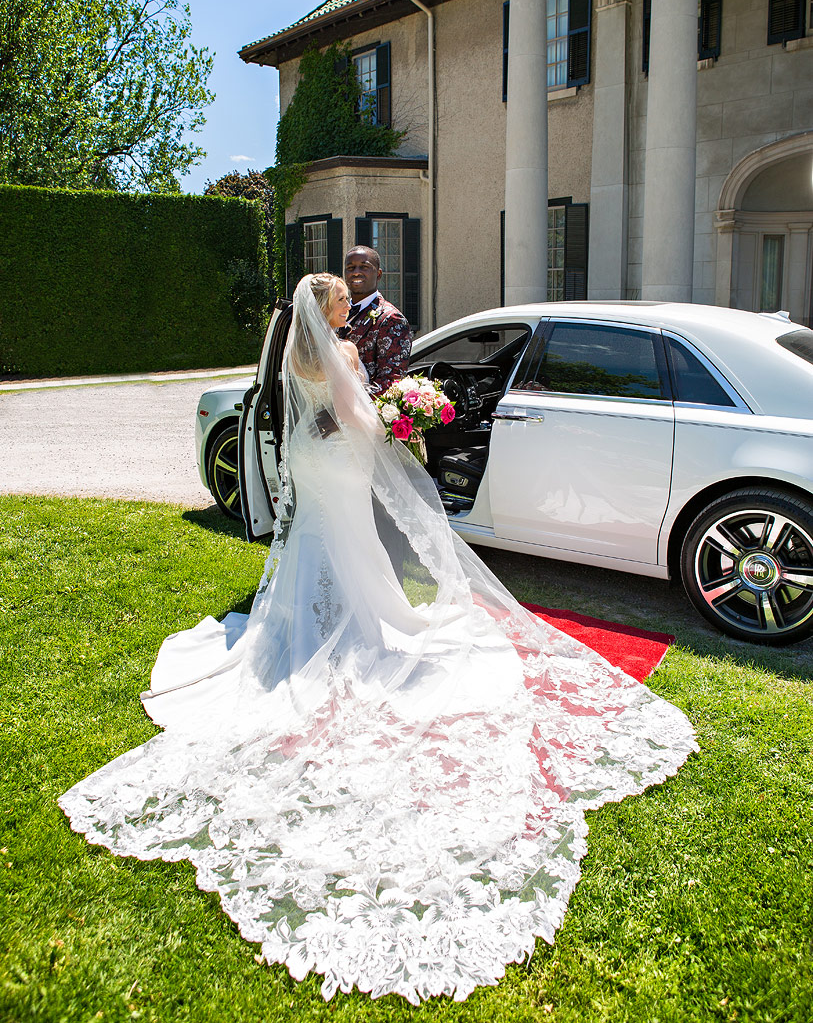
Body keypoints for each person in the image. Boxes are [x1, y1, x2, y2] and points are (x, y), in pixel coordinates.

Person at [59, 273, 697, 1006]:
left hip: (308, 451)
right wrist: (400, 418)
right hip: (341, 452)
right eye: (340, 299)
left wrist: (386, 411)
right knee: (351, 536)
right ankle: (360, 619)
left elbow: (309, 407)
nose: (347, 307)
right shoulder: (341, 351)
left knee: (321, 542)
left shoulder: (298, 347)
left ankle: (318, 617)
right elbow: (358, 413)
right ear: (327, 307)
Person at [338, 245, 412, 395]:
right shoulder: (335, 312)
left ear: (378, 274)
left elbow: (391, 381)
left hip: (362, 412)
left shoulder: (391, 319)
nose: (356, 272)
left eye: (364, 267)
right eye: (350, 268)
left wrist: (347, 406)